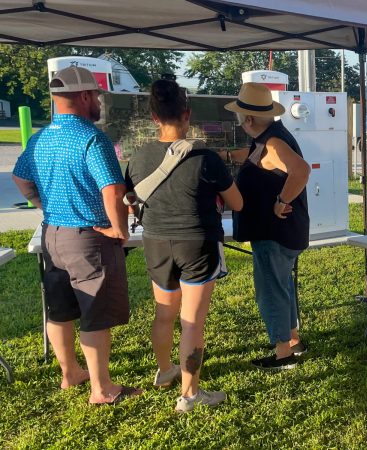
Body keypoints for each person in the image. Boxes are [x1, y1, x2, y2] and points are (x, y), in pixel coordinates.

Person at [12, 66, 140, 405]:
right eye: (97, 95)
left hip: (52, 233)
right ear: (84, 96)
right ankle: (102, 389)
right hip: (88, 238)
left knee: (60, 309)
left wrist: (46, 206)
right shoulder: (91, 137)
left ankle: (70, 374)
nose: (99, 101)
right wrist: (118, 229)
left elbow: (20, 178)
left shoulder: (40, 136)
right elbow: (112, 189)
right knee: (95, 310)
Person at [124, 76, 243, 412]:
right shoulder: (207, 158)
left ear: (153, 117)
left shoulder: (139, 157)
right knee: (192, 321)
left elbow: (131, 198)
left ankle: (165, 372)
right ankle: (190, 396)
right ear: (187, 114)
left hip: (156, 242)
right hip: (198, 243)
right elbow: (237, 203)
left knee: (164, 314)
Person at [225, 83, 311, 370]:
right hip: (283, 231)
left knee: (270, 290)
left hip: (274, 231)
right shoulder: (268, 137)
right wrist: (224, 156)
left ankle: (282, 354)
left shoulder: (273, 143)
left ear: (247, 120)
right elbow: (251, 156)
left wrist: (281, 200)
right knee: (282, 284)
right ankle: (293, 340)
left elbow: (301, 170)